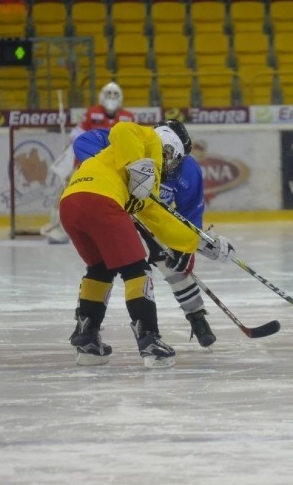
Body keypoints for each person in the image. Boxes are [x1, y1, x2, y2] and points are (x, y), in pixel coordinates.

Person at [59, 120, 232, 368]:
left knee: (100, 270)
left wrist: (201, 244)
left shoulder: (145, 180)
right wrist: (138, 165)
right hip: (102, 201)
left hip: (71, 204)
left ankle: (87, 341)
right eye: (173, 157)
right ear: (169, 146)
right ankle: (149, 341)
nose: (172, 166)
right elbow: (122, 129)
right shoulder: (148, 141)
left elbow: (162, 222)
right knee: (136, 271)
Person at [42, 81, 135, 244]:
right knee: (66, 190)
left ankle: (122, 227)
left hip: (115, 166)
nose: (111, 98)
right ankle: (59, 227)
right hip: (88, 163)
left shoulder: (128, 117)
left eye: (115, 95)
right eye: (109, 94)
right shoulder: (92, 113)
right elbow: (76, 136)